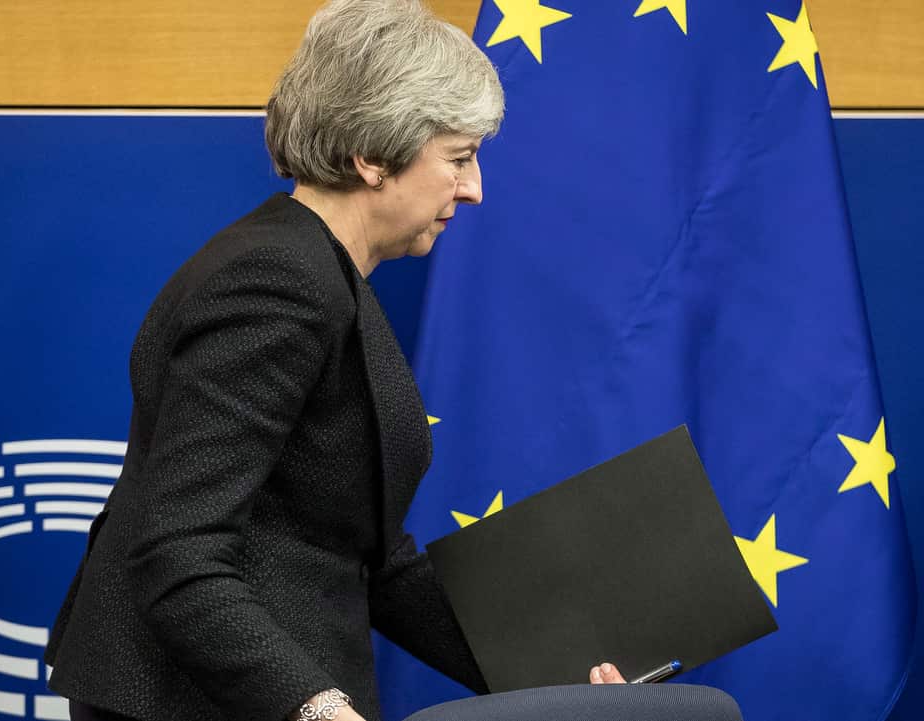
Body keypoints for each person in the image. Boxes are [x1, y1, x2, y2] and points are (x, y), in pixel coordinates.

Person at [44, 1, 626, 719]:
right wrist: (317, 708)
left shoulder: (325, 276)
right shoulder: (276, 282)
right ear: (373, 156)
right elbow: (180, 553)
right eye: (459, 159)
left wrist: (555, 675)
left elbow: (369, 555)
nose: (473, 190)